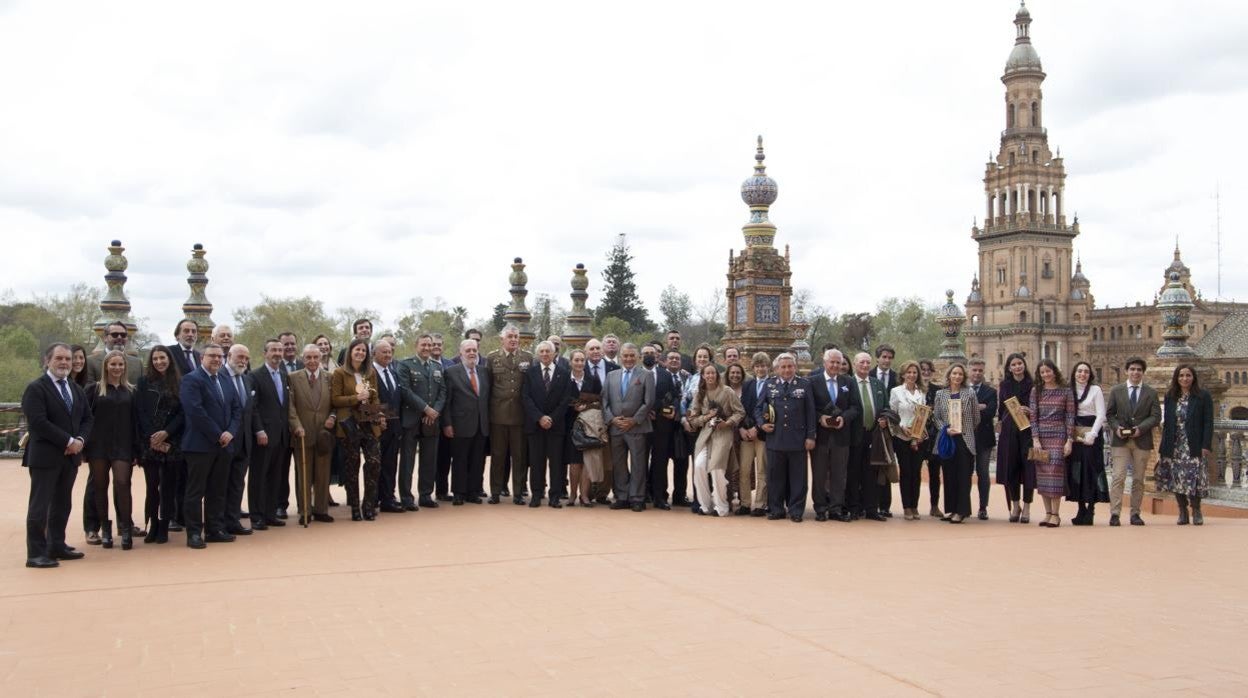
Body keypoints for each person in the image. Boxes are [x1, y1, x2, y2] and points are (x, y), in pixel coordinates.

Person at [22, 343, 94, 568]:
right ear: (47, 360)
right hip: (45, 457)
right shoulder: (36, 388)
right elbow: (38, 422)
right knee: (40, 506)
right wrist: (68, 441)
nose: (64, 363)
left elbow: (87, 419)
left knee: (62, 504)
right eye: (59, 358)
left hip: (70, 458)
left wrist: (80, 440)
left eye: (68, 359)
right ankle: (36, 553)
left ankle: (57, 545)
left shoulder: (74, 388)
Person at [179, 343, 241, 549]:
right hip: (200, 445)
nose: (216, 359)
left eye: (219, 356)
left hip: (224, 445)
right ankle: (194, 533)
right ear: (201, 358)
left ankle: (215, 529)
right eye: (212, 356)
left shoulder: (224, 378)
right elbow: (195, 411)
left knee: (218, 489)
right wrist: (218, 434)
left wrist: (230, 432)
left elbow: (236, 408)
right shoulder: (191, 380)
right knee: (196, 491)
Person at [83, 350, 141, 549]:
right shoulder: (94, 390)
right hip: (98, 445)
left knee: (122, 483)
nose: (117, 368)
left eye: (120, 364)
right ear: (106, 366)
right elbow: (85, 418)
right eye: (113, 364)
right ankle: (105, 529)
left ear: (125, 367)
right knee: (100, 486)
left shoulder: (132, 391)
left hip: (123, 445)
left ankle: (125, 527)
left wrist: (137, 449)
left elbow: (136, 422)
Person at [756, 353, 816, 522]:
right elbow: (758, 409)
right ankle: (776, 509)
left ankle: (796, 510)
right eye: (783, 367)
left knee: (798, 478)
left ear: (795, 367)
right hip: (775, 438)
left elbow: (811, 412)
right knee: (775, 477)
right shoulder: (769, 385)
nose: (787, 369)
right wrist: (761, 424)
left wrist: (811, 436)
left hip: (798, 439)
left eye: (790, 366)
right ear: (776, 369)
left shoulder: (804, 384)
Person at [135, 345, 184, 544]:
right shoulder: (143, 382)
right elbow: (140, 411)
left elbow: (183, 413)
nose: (159, 362)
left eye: (162, 358)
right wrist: (152, 437)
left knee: (168, 488)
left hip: (172, 442)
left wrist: (166, 433)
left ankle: (164, 525)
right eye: (155, 359)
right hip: (150, 443)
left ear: (169, 359)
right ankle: (152, 523)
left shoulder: (180, 383)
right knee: (151, 486)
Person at [1104, 357, 1162, 526]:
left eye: (1139, 370)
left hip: (1142, 440)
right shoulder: (1116, 390)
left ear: (1143, 373)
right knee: (1118, 477)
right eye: (1133, 369)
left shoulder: (1150, 392)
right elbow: (1110, 415)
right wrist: (1117, 429)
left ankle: (1135, 513)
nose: (1136, 372)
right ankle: (1115, 513)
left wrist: (1141, 428)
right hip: (1121, 441)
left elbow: (1156, 416)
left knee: (1138, 479)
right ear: (1126, 371)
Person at [332, 338, 384, 521]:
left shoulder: (370, 373)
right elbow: (335, 399)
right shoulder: (339, 373)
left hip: (368, 423)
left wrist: (377, 413)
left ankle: (368, 505)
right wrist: (356, 397)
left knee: (374, 463)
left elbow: (375, 397)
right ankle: (354, 507)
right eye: (357, 350)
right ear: (350, 352)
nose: (360, 353)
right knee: (351, 467)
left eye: (363, 350)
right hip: (349, 425)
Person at [1156, 365, 1214, 525]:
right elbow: (1167, 421)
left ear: (1193, 377)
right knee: (1177, 478)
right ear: (1176, 378)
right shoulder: (1170, 396)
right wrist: (1163, 446)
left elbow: (1209, 422)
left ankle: (1196, 509)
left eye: (1188, 375)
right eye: (1181, 375)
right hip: (1174, 445)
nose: (1184, 378)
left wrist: (1206, 445)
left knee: (1194, 478)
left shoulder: (1203, 396)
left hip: (1193, 444)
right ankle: (1182, 511)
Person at [396, 334, 447, 510]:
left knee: (429, 460)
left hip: (431, 421)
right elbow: (405, 391)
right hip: (411, 419)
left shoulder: (436, 366)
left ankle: (426, 495)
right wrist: (426, 408)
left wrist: (435, 412)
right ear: (416, 345)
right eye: (424, 344)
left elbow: (442, 392)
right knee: (407, 461)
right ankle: (406, 498)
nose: (427, 348)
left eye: (430, 345)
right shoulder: (405, 364)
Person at [687, 364, 744, 517]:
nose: (710, 376)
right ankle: (705, 505)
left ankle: (722, 506)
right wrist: (707, 417)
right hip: (706, 434)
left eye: (713, 373)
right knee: (699, 466)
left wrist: (728, 422)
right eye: (707, 373)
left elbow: (740, 412)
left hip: (723, 433)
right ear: (703, 376)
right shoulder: (700, 393)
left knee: (718, 468)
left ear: (717, 375)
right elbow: (693, 419)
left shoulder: (727, 391)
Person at [604, 343, 655, 511]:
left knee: (638, 463)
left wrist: (634, 420)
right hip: (616, 427)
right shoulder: (611, 376)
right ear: (621, 357)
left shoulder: (646, 375)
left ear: (638, 357)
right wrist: (612, 419)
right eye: (625, 356)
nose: (628, 359)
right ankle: (622, 496)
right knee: (619, 464)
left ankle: (637, 497)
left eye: (632, 356)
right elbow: (604, 401)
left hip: (637, 427)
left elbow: (649, 402)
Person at [287, 344, 335, 523]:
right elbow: (290, 407)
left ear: (321, 358)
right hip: (302, 433)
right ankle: (304, 511)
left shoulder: (330, 378)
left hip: (324, 433)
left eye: (316, 357)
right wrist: (296, 425)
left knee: (323, 473)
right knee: (304, 474)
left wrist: (332, 417)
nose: (313, 361)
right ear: (303, 358)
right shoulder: (292, 378)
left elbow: (336, 404)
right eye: (308, 357)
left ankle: (321, 509)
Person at [810, 349, 859, 522]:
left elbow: (855, 407)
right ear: (824, 362)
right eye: (832, 362)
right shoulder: (813, 381)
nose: (835, 365)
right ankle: (820, 508)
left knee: (839, 473)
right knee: (819, 473)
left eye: (838, 362)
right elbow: (809, 408)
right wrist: (819, 418)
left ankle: (836, 508)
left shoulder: (849, 382)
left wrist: (843, 418)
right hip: (820, 435)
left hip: (841, 436)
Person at [523, 340, 573, 507]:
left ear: (554, 354)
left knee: (556, 463)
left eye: (548, 351)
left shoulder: (564, 373)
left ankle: (555, 496)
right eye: (542, 351)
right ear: (538, 354)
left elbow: (565, 400)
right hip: (535, 425)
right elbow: (526, 398)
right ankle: (536, 495)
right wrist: (540, 418)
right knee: (536, 462)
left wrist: (551, 418)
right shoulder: (530, 373)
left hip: (556, 425)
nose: (545, 354)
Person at [442, 339, 491, 505]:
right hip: (460, 425)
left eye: (474, 350)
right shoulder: (451, 372)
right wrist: (447, 424)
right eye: (468, 350)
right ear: (461, 352)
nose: (472, 353)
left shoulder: (484, 372)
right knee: (460, 460)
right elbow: (447, 401)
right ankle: (458, 492)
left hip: (481, 424)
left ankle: (473, 492)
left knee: (477, 460)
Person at [250, 338, 292, 531]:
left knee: (276, 476)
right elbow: (254, 407)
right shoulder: (255, 375)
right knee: (259, 476)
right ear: (265, 353)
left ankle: (270, 513)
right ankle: (257, 516)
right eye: (273, 350)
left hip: (281, 435)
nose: (277, 353)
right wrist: (259, 430)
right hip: (264, 435)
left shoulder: (284, 375)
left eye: (280, 350)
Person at [487, 325, 532, 504]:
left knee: (519, 457)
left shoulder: (528, 358)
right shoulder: (492, 358)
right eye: (510, 336)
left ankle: (519, 492)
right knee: (498, 456)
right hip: (498, 415)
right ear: (502, 339)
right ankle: (496, 492)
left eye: (516, 336)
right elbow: (488, 386)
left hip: (519, 416)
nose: (513, 339)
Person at [1029, 359, 1075, 528]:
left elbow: (1070, 416)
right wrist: (1035, 439)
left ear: (1054, 371)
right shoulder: (1036, 391)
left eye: (1048, 371)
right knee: (1042, 475)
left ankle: (1056, 514)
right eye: (1042, 372)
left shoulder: (1065, 391)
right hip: (1040, 437)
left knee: (1055, 472)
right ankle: (1047, 513)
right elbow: (1033, 416)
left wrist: (1069, 440)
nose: (1046, 374)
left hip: (1059, 435)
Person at [932, 363, 979, 524]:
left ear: (963, 377)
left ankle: (962, 511)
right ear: (949, 375)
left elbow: (976, 417)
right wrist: (945, 429)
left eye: (960, 374)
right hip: (947, 439)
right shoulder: (940, 394)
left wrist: (962, 428)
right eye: (954, 374)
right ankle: (951, 509)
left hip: (964, 440)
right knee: (949, 475)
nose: (957, 377)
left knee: (963, 476)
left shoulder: (970, 394)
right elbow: (936, 417)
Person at [221, 344, 260, 537]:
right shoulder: (219, 377)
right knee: (220, 484)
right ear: (229, 356)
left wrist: (257, 431)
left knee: (237, 483)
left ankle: (233, 520)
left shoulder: (246, 379)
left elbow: (250, 411)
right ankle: (217, 522)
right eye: (239, 357)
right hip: (225, 441)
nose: (243, 361)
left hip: (244, 441)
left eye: (246, 358)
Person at [848, 352, 891, 521]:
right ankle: (854, 508)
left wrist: (885, 419)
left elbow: (886, 407)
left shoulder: (878, 384)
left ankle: (872, 509)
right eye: (861, 362)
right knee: (853, 473)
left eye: (867, 362)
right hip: (854, 435)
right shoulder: (848, 383)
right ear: (855, 364)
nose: (865, 365)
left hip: (874, 435)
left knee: (872, 473)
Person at [1066, 361, 1109, 525]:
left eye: (1085, 372)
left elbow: (1101, 414)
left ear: (1090, 374)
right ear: (1074, 373)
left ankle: (1090, 508)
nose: (1082, 374)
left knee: (1091, 469)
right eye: (1079, 371)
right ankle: (1080, 507)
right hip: (1075, 434)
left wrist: (1093, 433)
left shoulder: (1095, 390)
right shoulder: (1069, 391)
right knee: (1076, 470)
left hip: (1091, 435)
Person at [997, 353, 1035, 523]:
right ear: (1009, 368)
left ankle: (1027, 506)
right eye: (1014, 364)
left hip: (1028, 431)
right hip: (1010, 431)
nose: (1017, 367)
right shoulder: (1005, 385)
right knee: (1010, 467)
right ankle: (1015, 505)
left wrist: (1030, 411)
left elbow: (1038, 408)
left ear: (1024, 365)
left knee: (1029, 468)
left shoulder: (1033, 385)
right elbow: (1001, 409)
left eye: (1020, 363)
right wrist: (999, 424)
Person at [888, 360, 927, 520]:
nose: (912, 375)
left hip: (918, 438)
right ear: (903, 374)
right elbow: (892, 414)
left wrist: (918, 434)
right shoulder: (896, 391)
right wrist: (900, 427)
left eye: (914, 372)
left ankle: (915, 506)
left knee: (916, 473)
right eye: (909, 372)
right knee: (906, 472)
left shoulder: (922, 392)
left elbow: (923, 414)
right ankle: (906, 507)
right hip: (901, 436)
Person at [565, 349, 604, 507]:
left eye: (582, 360)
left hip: (589, 426)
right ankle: (572, 495)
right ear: (571, 362)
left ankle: (585, 496)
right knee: (574, 463)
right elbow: (561, 400)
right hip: (571, 425)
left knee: (587, 462)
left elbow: (600, 399)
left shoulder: (593, 379)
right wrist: (572, 408)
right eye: (576, 360)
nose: (579, 363)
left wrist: (587, 407)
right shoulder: (564, 379)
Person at [371, 339, 405, 514]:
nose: (388, 354)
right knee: (376, 464)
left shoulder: (393, 371)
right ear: (374, 353)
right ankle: (373, 498)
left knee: (391, 464)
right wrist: (380, 416)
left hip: (394, 427)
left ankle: (388, 497)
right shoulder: (368, 373)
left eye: (390, 351)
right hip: (377, 427)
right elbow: (366, 401)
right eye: (384, 351)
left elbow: (396, 399)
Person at [647, 349, 684, 509]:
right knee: (639, 461)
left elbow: (675, 395)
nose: (650, 355)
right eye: (646, 353)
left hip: (661, 424)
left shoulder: (665, 374)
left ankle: (659, 496)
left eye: (653, 353)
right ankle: (639, 494)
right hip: (640, 423)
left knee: (659, 461)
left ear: (658, 357)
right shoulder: (635, 373)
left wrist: (674, 409)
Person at [736, 352, 771, 516]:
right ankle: (745, 503)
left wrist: (758, 428)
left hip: (763, 434)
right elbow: (741, 409)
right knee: (744, 469)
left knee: (762, 470)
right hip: (747, 434)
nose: (760, 369)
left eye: (763, 365)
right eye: (757, 366)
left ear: (768, 366)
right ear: (753, 367)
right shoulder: (748, 384)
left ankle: (760, 504)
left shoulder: (772, 384)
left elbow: (772, 410)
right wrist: (742, 428)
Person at [967, 359, 998, 520]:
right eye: (974, 370)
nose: (977, 373)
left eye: (980, 370)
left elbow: (990, 413)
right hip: (964, 438)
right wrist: (979, 407)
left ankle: (982, 507)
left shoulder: (990, 392)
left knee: (983, 473)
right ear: (969, 371)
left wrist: (974, 409)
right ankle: (963, 506)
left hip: (984, 440)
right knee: (964, 473)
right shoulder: (962, 389)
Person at [919, 358, 943, 517]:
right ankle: (912, 505)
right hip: (917, 435)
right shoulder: (913, 389)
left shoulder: (938, 391)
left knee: (935, 473)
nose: (926, 372)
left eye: (929, 370)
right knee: (914, 472)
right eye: (923, 370)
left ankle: (934, 505)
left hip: (934, 435)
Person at [85, 320, 143, 384]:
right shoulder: (90, 362)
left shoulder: (137, 363)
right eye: (115, 334)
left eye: (123, 335)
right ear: (105, 338)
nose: (119, 337)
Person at [723, 363, 748, 509]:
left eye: (738, 373)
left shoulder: (747, 389)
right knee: (727, 466)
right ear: (728, 374)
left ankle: (742, 498)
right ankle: (727, 497)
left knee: (741, 467)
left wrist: (744, 428)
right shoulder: (722, 390)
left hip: (743, 432)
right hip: (726, 431)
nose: (735, 375)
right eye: (732, 372)